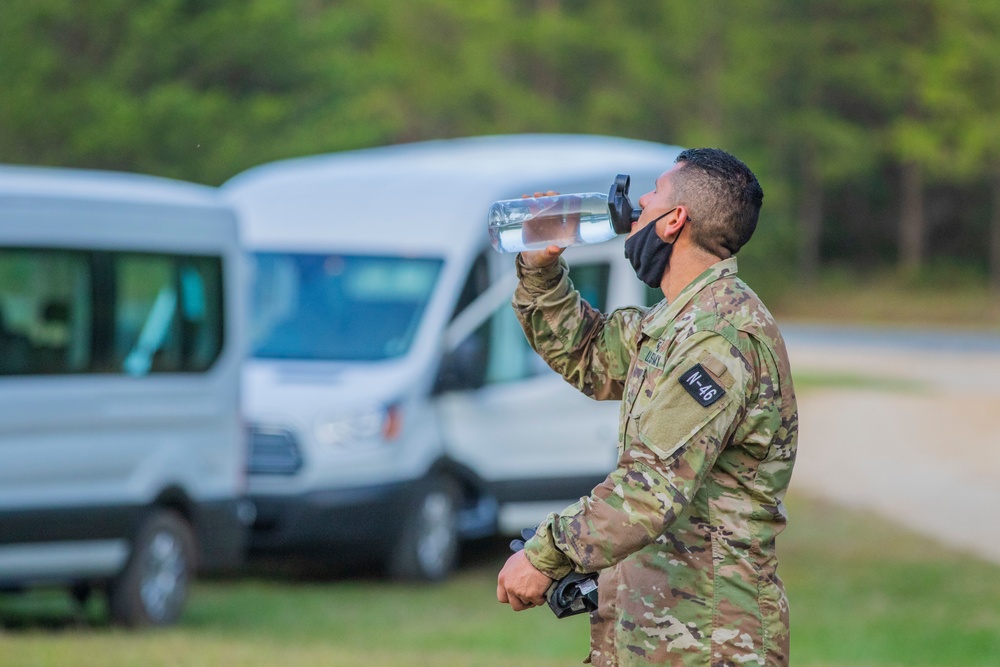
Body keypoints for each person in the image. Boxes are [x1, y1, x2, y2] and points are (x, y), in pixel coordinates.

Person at [496, 148, 798, 666]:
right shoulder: (678, 322)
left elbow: (650, 488)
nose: (638, 204)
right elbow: (588, 353)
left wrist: (545, 554)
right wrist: (540, 266)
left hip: (708, 641)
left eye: (653, 193)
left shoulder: (717, 337)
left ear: (674, 220)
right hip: (656, 634)